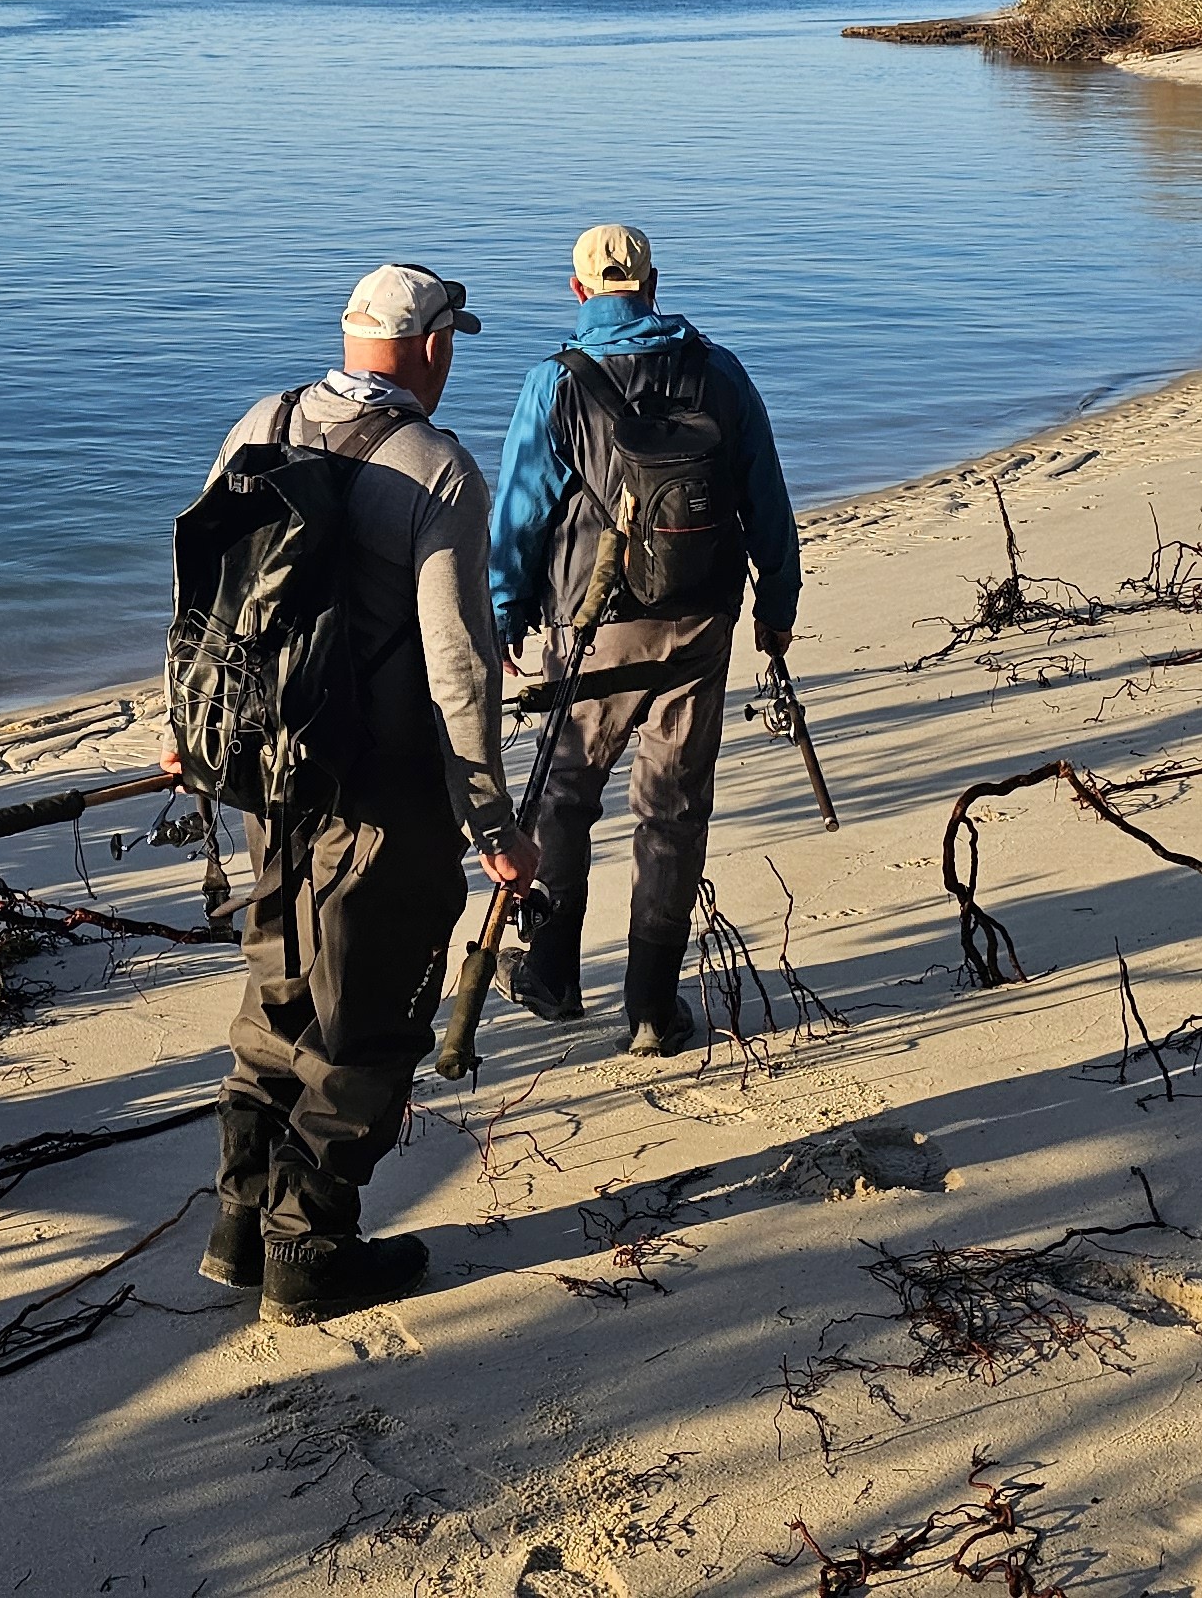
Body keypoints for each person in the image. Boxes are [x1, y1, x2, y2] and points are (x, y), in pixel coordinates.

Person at [187, 262, 533, 1325]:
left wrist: (193, 742)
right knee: (371, 1014)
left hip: (268, 777)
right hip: (383, 791)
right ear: (431, 346)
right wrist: (491, 819)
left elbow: (203, 602)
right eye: (451, 342)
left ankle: (237, 1228)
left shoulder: (263, 419)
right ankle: (309, 1251)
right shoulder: (437, 469)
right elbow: (459, 669)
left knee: (280, 978)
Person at [486, 223, 800, 1056]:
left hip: (592, 630)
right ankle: (652, 1008)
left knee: (564, 800)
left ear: (580, 291)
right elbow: (766, 495)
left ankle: (552, 976)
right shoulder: (720, 371)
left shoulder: (555, 383)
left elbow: (519, 516)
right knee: (672, 810)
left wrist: (503, 616)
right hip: (701, 619)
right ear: (654, 284)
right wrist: (779, 603)